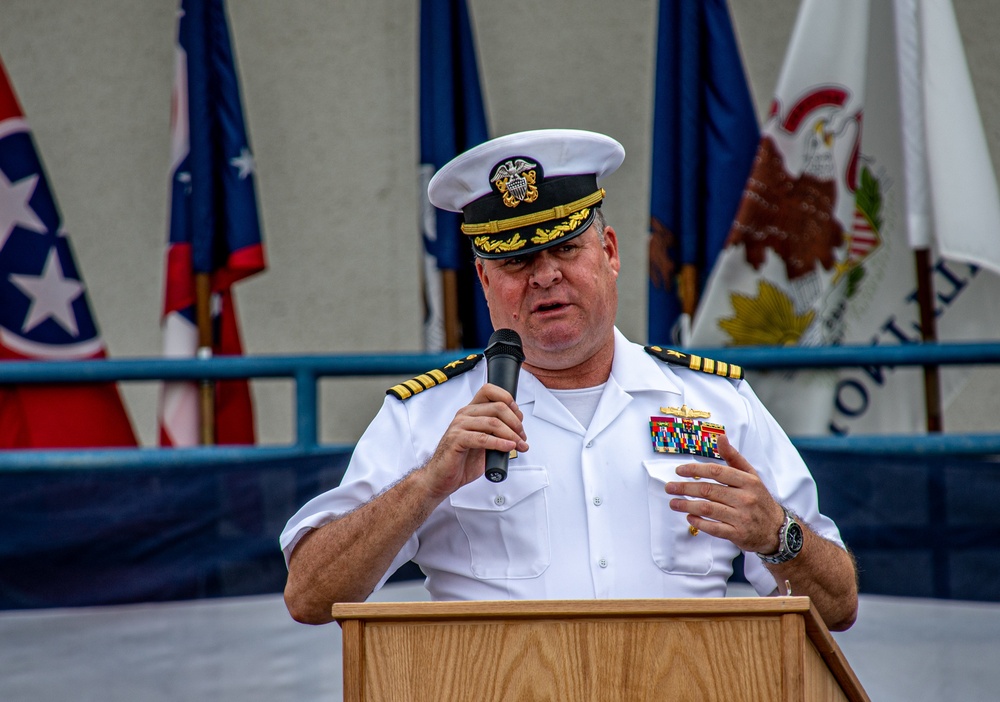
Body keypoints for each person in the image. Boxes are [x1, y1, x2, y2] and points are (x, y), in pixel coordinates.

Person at [280, 129, 858, 630]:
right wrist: (427, 484)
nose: (546, 276)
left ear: (608, 252)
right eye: (516, 260)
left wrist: (777, 536)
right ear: (484, 278)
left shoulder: (716, 402)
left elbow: (838, 607)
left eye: (564, 248)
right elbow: (309, 596)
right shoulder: (425, 419)